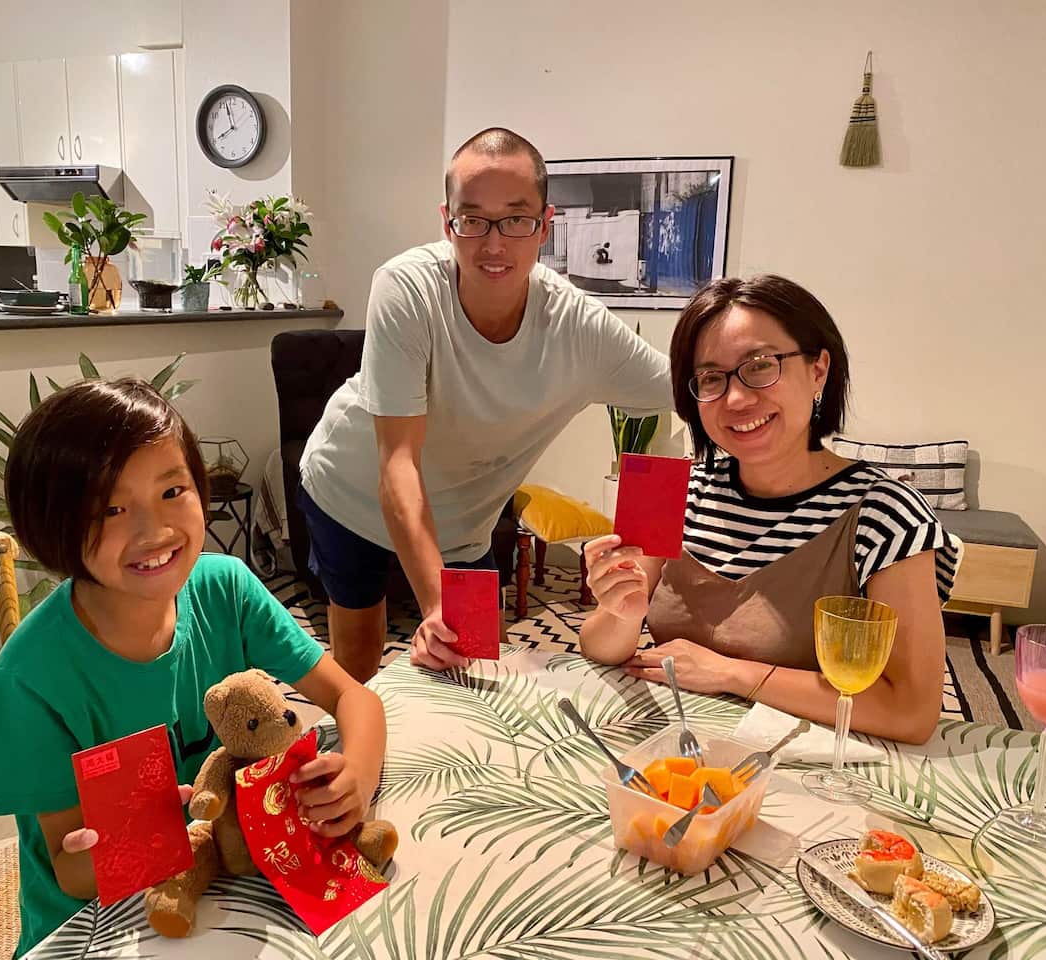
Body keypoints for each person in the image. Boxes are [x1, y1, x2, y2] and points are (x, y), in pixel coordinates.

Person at [0, 378, 387, 958]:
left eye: (173, 491)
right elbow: (69, 871)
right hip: (102, 925)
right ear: (54, 527)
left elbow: (356, 698)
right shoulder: (30, 678)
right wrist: (152, 831)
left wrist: (357, 777)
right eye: (111, 508)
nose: (155, 531)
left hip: (233, 883)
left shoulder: (226, 588)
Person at [298, 127, 671, 682]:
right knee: (360, 665)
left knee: (475, 670)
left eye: (516, 219)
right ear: (447, 220)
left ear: (545, 225)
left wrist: (651, 541)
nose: (493, 245)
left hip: (463, 526)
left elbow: (688, 393)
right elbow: (396, 462)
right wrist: (432, 605)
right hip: (350, 493)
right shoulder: (407, 288)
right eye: (472, 220)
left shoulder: (579, 327)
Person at [580, 275, 958, 745]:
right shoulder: (670, 490)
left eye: (759, 366)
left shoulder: (885, 513)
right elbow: (599, 646)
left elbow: (910, 711)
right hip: (675, 754)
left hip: (813, 774)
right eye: (711, 378)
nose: (737, 398)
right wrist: (620, 614)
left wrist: (732, 673)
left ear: (818, 370)